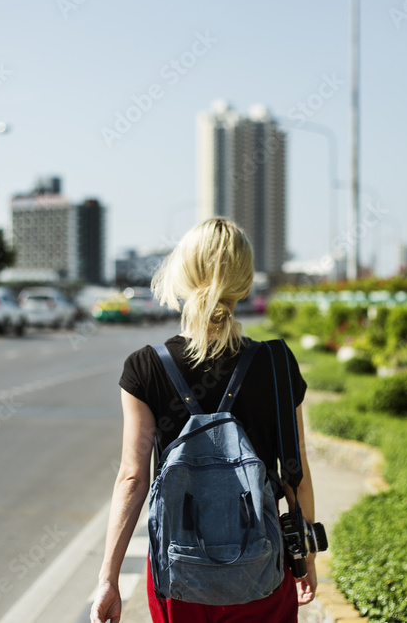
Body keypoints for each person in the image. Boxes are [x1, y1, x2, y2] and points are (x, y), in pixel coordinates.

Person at [91, 217, 317, 623]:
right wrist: (306, 558)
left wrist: (108, 578)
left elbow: (132, 477)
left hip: (180, 574)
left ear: (180, 279)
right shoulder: (277, 362)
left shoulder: (145, 367)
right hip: (262, 569)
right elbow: (295, 472)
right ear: (246, 286)